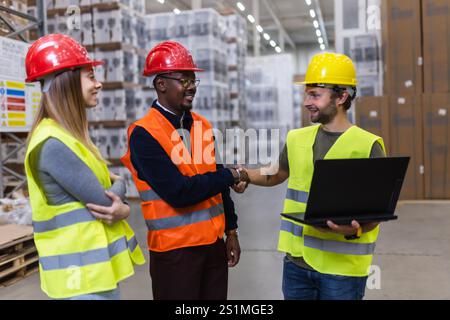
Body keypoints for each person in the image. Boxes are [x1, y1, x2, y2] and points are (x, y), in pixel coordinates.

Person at [234, 52, 386, 300]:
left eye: (315, 94)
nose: (306, 101)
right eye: (307, 94)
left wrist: (353, 230)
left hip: (342, 271)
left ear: (341, 96)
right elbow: (277, 172)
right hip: (296, 264)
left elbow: (378, 210)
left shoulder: (367, 145)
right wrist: (243, 174)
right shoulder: (297, 138)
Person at [24, 34, 145, 300]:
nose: (98, 83)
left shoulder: (70, 137)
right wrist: (123, 206)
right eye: (90, 76)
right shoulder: (53, 144)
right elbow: (105, 200)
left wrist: (119, 188)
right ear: (65, 82)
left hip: (91, 276)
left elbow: (114, 183)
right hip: (79, 282)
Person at [121, 41, 241, 300]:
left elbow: (220, 186)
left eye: (193, 80)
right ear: (161, 84)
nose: (192, 87)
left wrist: (231, 230)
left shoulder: (202, 125)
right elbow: (179, 192)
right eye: (184, 80)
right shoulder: (144, 134)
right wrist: (231, 175)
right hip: (175, 253)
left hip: (212, 247)